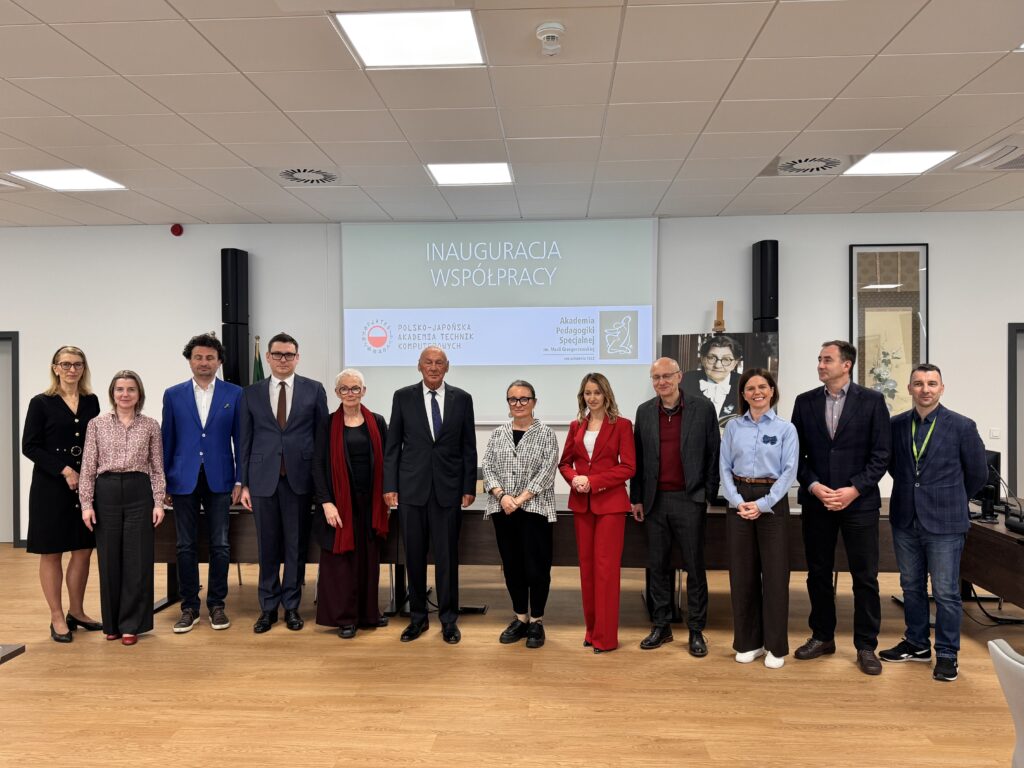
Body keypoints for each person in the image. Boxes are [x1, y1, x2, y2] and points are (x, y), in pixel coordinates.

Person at [790, 341, 891, 676]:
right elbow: (796, 455)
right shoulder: (804, 402)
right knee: (818, 573)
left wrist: (854, 489)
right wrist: (814, 485)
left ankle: (866, 646)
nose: (821, 365)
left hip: (858, 503)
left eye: (827, 360)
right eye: (819, 359)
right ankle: (822, 637)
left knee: (865, 576)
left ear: (846, 365)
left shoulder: (872, 401)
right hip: (817, 502)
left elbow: (881, 454)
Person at [882, 364, 987, 683]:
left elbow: (978, 474)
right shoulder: (896, 425)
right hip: (905, 517)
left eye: (931, 383)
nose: (925, 389)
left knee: (945, 591)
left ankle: (947, 653)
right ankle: (916, 644)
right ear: (910, 389)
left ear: (942, 388)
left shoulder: (962, 426)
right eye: (918, 383)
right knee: (911, 586)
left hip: (946, 522)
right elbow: (894, 467)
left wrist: (951, 498)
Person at [383, 346, 477, 645]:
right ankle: (418, 618)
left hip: (448, 491)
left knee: (447, 558)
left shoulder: (462, 398)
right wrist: (389, 485)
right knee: (414, 557)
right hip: (411, 490)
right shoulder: (402, 397)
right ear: (419, 366)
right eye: (428, 362)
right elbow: (392, 446)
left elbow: (468, 447)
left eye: (439, 363)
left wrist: (468, 486)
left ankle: (448, 620)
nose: (433, 367)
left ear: (447, 367)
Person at [239, 332, 329, 634]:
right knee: (266, 548)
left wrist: (321, 483)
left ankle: (291, 606)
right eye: (277, 354)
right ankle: (267, 608)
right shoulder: (250, 393)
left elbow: (321, 439)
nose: (283, 359)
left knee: (295, 547)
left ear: (297, 358)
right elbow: (245, 440)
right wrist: (244, 483)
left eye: (289, 354)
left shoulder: (314, 390)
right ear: (267, 357)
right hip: (262, 480)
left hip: (299, 480)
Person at [630, 357, 720, 656]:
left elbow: (713, 453)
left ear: (679, 376)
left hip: (689, 499)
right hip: (655, 501)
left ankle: (696, 630)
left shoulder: (702, 408)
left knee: (694, 566)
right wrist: (637, 497)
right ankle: (661, 625)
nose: (662, 382)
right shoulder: (644, 411)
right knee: (658, 567)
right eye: (656, 378)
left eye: (667, 376)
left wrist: (707, 494)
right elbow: (638, 459)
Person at [161, 333, 242, 634]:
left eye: (210, 357)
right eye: (198, 357)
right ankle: (189, 607)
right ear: (189, 360)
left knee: (221, 544)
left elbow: (241, 440)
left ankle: (217, 605)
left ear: (219, 362)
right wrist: (164, 482)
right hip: (183, 478)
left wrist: (240, 479)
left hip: (221, 478)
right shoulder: (173, 395)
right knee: (185, 545)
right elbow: (167, 439)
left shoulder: (235, 394)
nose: (204, 362)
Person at [79, 370, 166, 646]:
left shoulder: (150, 425)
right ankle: (112, 624)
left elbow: (157, 467)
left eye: (131, 389)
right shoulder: (97, 424)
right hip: (106, 492)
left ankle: (131, 625)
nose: (125, 394)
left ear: (139, 394)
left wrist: (159, 502)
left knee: (137, 559)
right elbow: (88, 467)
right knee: (109, 559)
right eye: (120, 389)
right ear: (112, 393)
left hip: (139, 491)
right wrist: (86, 504)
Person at [23, 345, 102, 643]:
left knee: (83, 549)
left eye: (78, 364)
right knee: (52, 551)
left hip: (85, 487)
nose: (72, 369)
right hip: (51, 488)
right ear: (55, 367)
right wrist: (65, 470)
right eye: (66, 364)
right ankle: (57, 616)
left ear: (84, 368)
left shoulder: (92, 401)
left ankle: (77, 612)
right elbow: (29, 446)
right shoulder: (41, 402)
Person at [719, 368, 797, 669]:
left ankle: (775, 646)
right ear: (743, 394)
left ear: (772, 391)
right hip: (739, 500)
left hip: (772, 501)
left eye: (762, 387)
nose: (757, 393)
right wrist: (738, 501)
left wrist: (763, 504)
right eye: (750, 388)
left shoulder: (785, 429)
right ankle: (748, 642)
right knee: (742, 575)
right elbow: (724, 467)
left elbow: (789, 471)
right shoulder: (733, 427)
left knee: (775, 576)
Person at [558, 372, 635, 653]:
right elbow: (565, 463)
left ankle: (606, 637)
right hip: (582, 505)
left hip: (610, 506)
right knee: (587, 570)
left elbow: (628, 467)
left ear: (606, 394)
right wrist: (575, 479)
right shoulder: (576, 425)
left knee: (606, 572)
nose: (592, 398)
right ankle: (591, 631)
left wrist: (594, 481)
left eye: (597, 392)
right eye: (587, 393)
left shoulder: (622, 425)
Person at [312, 369, 390, 639]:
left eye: (355, 388)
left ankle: (368, 614)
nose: (350, 393)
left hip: (370, 502)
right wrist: (326, 502)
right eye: (344, 389)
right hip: (338, 504)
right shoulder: (327, 423)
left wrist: (388, 495)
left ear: (363, 391)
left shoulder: (377, 421)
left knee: (368, 559)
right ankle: (345, 618)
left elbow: (388, 460)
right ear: (337, 393)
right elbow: (317, 465)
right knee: (342, 563)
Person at [481, 380, 559, 649]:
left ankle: (537, 620)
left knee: (537, 568)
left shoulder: (546, 434)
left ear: (534, 402)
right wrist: (502, 496)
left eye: (524, 399)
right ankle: (521, 618)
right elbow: (487, 467)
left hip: (535, 510)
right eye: (513, 399)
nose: (518, 404)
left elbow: (547, 471)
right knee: (512, 566)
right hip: (503, 510)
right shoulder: (497, 434)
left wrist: (521, 498)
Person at [681, 334, 742, 427]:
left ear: (735, 363)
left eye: (726, 359)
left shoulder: (745, 383)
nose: (718, 365)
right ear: (702, 359)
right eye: (711, 358)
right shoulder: (686, 380)